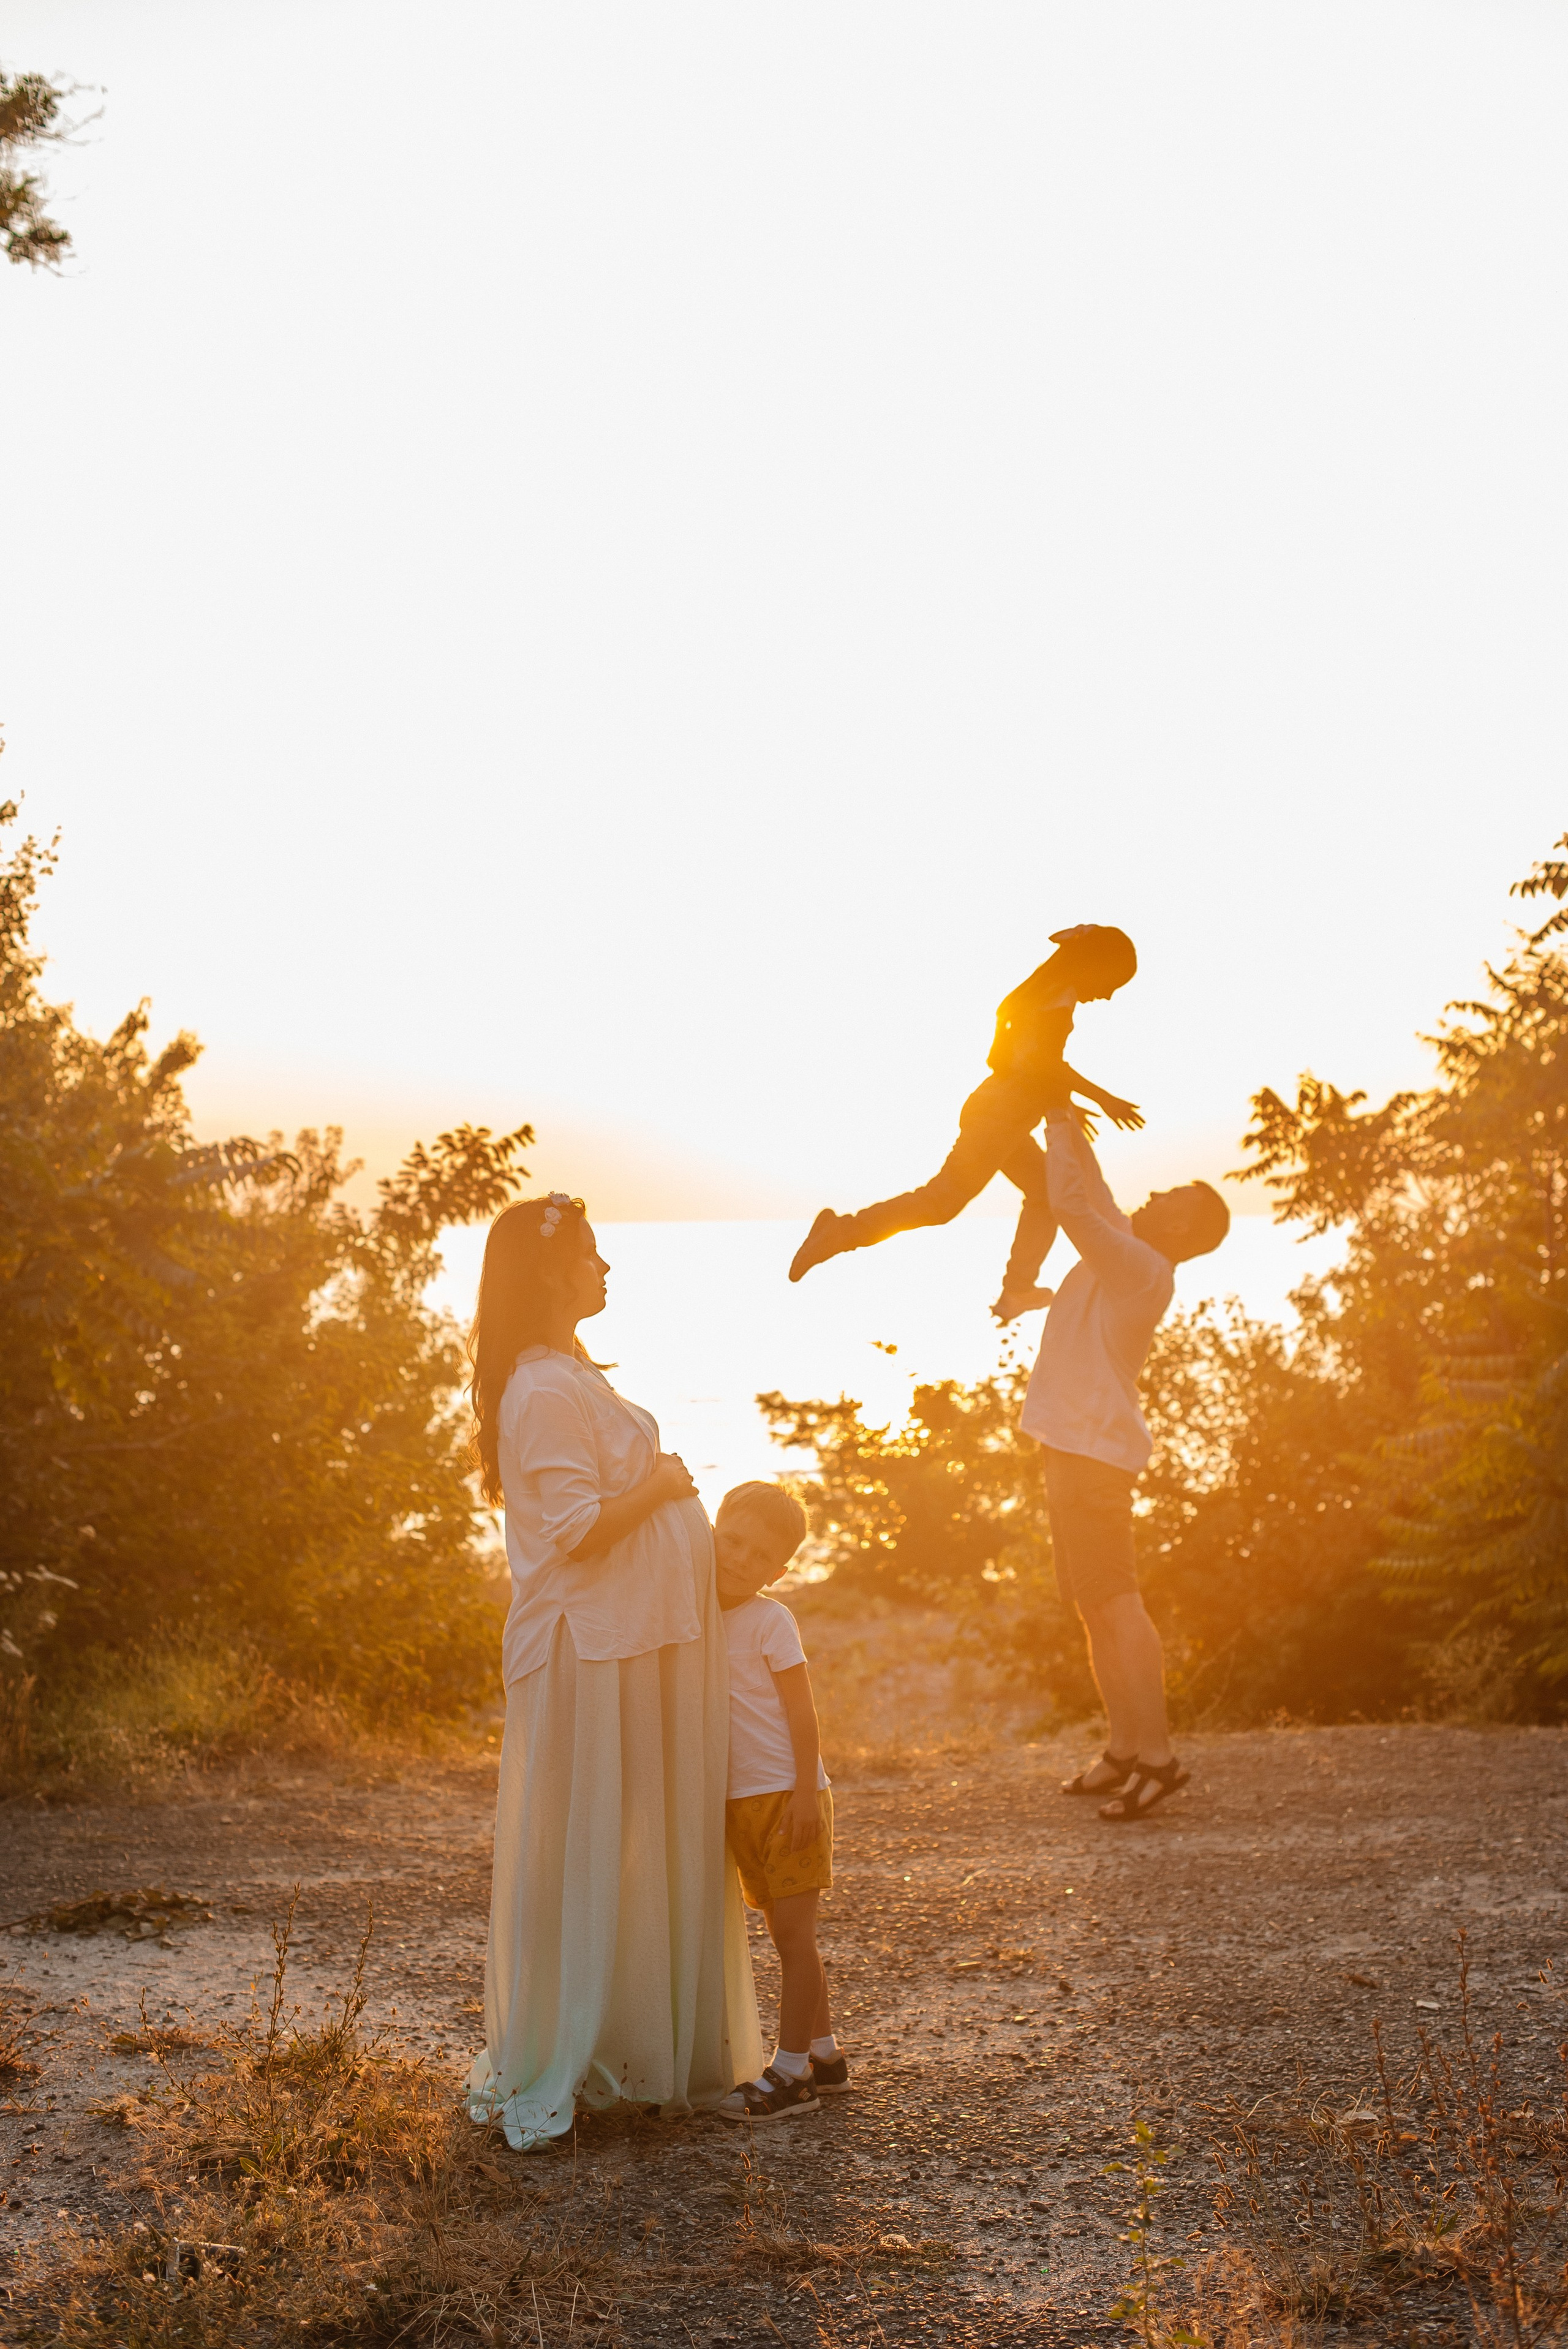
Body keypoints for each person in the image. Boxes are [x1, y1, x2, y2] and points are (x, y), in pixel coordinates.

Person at [465, 1193, 763, 2149]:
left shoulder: (567, 1375)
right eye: (593, 1255)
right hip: (592, 1652)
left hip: (632, 1643)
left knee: (634, 1845)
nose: (605, 1269)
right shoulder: (544, 1387)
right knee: (591, 1848)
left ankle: (642, 2045)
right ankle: (583, 2048)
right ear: (553, 1272)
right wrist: (666, 1486)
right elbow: (578, 1529)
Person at [1020, 1108, 1230, 1822]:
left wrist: (1055, 1127)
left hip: (1093, 1455)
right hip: (1069, 1447)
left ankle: (1158, 1759)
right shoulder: (1130, 1247)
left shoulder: (1140, 1266)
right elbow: (1096, 1189)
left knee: (1117, 1601)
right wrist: (1062, 1115)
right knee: (1093, 1607)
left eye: (1176, 1196)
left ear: (1180, 1228)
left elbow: (1073, 1204)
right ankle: (1122, 1750)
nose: (1161, 1192)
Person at [787, 924, 1145, 1321]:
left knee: (1046, 1195)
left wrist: (1063, 1101)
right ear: (1095, 965)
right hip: (997, 1119)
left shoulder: (1038, 994)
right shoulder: (1057, 998)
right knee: (941, 1201)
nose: (1110, 994)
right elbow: (1044, 1064)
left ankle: (1018, 1289)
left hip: (997, 1115)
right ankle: (843, 1233)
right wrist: (1102, 1097)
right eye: (1113, 982)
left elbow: (1017, 1063)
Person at [708, 1479, 847, 2124]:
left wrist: (801, 1792)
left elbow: (801, 1712)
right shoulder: (699, 1612)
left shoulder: (771, 1619)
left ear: (779, 1570)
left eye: (758, 1554)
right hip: (741, 1801)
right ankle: (825, 2054)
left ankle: (790, 2073)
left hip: (789, 1797)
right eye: (731, 1539)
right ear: (711, 1528)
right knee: (783, 1933)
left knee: (795, 1937)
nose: (739, 1558)